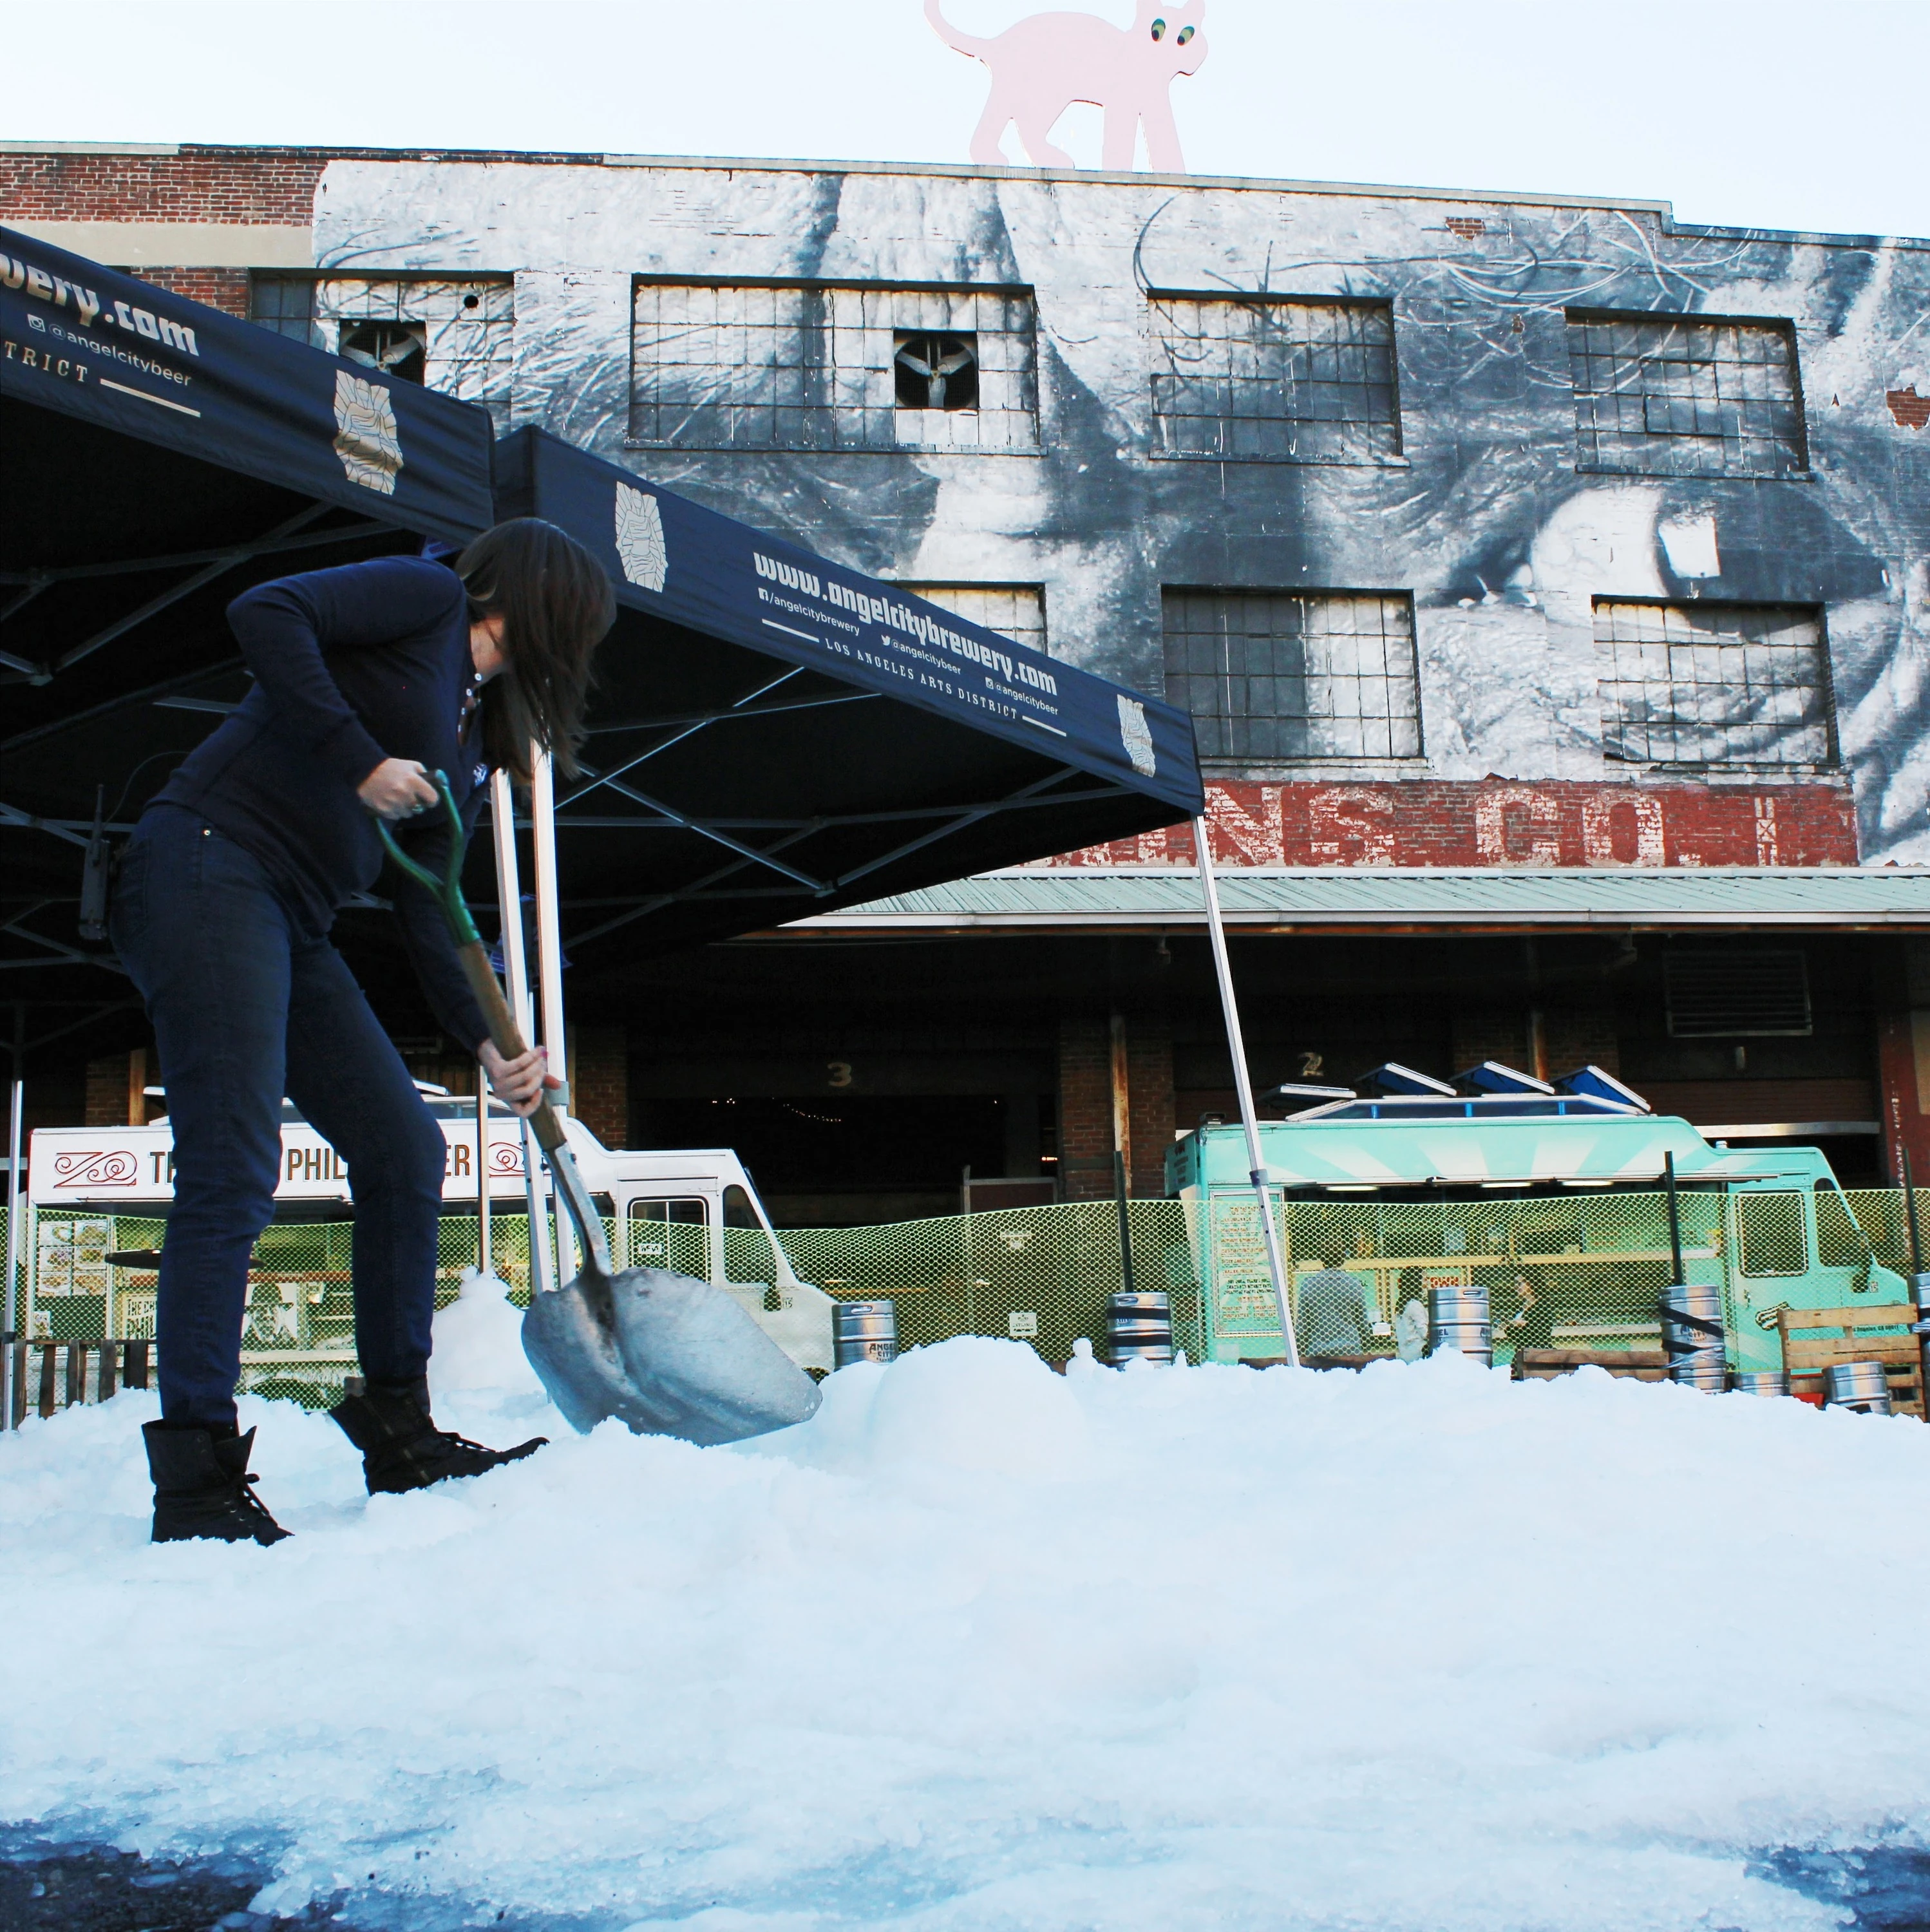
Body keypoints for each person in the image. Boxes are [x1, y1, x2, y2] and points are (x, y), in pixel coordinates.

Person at [111, 522, 616, 1546]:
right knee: (233, 1172)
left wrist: (488, 1042)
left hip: (290, 913)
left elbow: (435, 904)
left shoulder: (471, 730)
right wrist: (357, 760)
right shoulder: (423, 598)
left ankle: (398, 1423)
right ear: (549, 605)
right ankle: (198, 1477)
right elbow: (266, 611)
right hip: (209, 866)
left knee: (405, 1148)